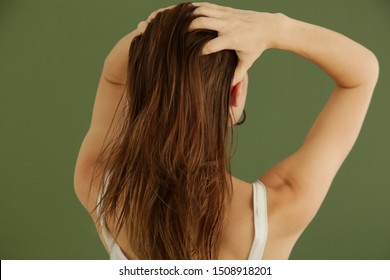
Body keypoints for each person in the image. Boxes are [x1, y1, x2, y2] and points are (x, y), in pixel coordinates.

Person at [73, 2, 379, 260]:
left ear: (142, 86)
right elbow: (363, 73)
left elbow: (113, 77)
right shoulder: (275, 213)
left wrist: (155, 35)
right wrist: (276, 28)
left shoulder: (100, 188)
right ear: (236, 92)